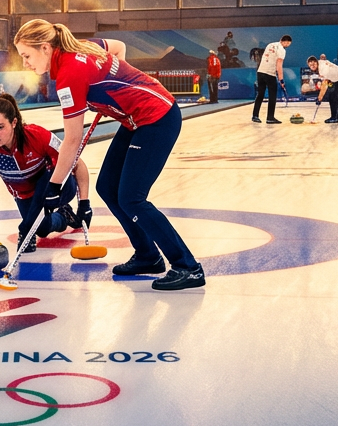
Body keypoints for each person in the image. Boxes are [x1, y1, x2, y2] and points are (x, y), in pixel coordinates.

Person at [12, 20, 203, 291]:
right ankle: (148, 255)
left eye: (27, 56)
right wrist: (114, 92)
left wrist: (54, 185)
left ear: (45, 47)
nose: (26, 63)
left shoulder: (69, 75)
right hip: (134, 120)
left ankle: (188, 267)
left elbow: (73, 139)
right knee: (108, 188)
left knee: (132, 198)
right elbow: (118, 47)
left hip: (157, 118)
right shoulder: (83, 46)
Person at [0, 94, 92, 252]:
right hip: (25, 196)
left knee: (43, 180)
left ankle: (26, 228)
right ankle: (64, 215)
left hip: (57, 187)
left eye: (0, 127)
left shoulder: (37, 136)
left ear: (14, 122)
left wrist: (84, 204)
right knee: (41, 228)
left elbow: (77, 164)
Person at [252, 35, 292, 124]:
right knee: (272, 96)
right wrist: (281, 80)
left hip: (260, 72)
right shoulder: (282, 50)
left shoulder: (270, 45)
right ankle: (270, 117)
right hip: (270, 73)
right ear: (286, 42)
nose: (287, 46)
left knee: (260, 94)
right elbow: (279, 65)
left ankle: (255, 115)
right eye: (288, 44)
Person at [307, 56, 338, 123]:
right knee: (333, 96)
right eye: (310, 65)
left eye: (314, 64)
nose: (312, 66)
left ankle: (334, 117)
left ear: (317, 62)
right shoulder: (321, 64)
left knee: (333, 97)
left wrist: (319, 98)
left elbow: (324, 84)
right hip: (337, 80)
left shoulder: (322, 69)